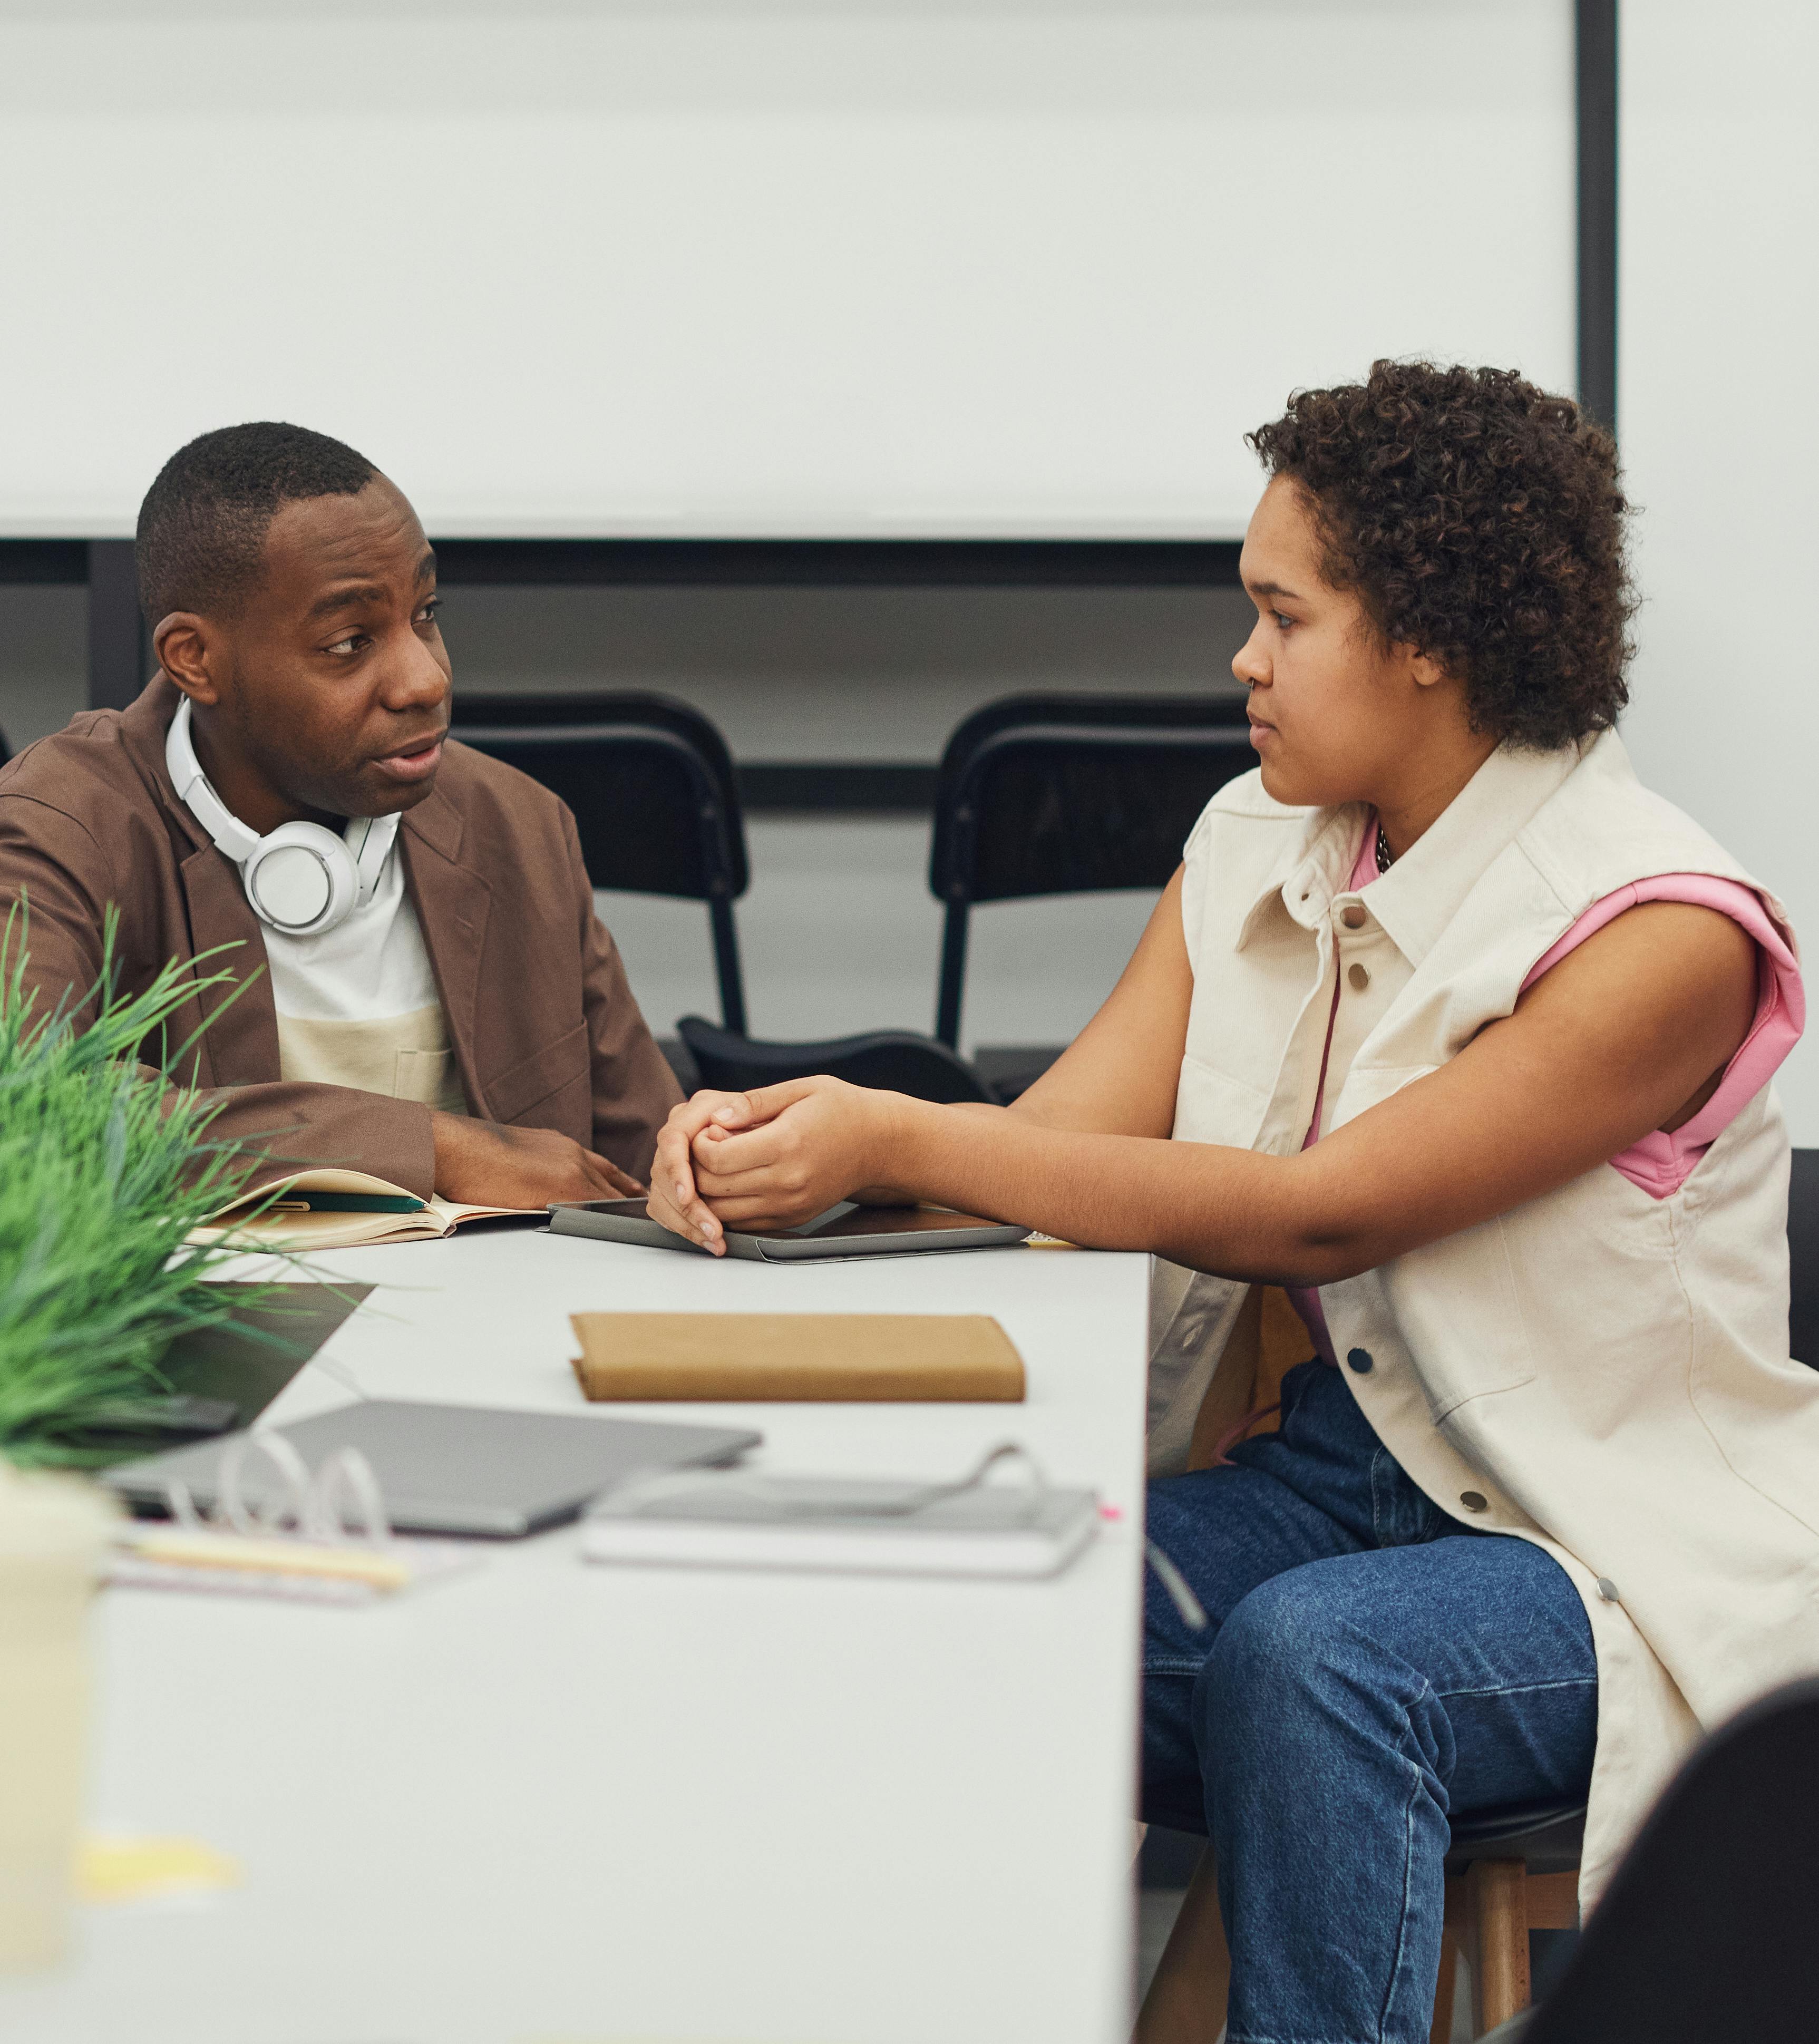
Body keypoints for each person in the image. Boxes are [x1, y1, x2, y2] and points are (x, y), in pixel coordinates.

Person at [646, 362, 1819, 2043]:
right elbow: (1044, 1155)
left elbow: (1322, 1214)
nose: (1241, 660)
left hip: (1598, 1543)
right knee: (953, 1577)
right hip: (1327, 1486)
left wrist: (898, 1133)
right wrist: (774, 1157)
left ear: (1426, 637)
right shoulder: (1251, 840)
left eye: (1282, 615)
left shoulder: (1662, 930)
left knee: (1312, 1661)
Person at [0, 421, 680, 1202]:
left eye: (426, 612)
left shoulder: (517, 822)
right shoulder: (66, 824)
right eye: (349, 642)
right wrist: (438, 1149)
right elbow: (1, 1102)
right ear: (195, 659)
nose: (426, 680)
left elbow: (648, 1161)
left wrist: (720, 1172)